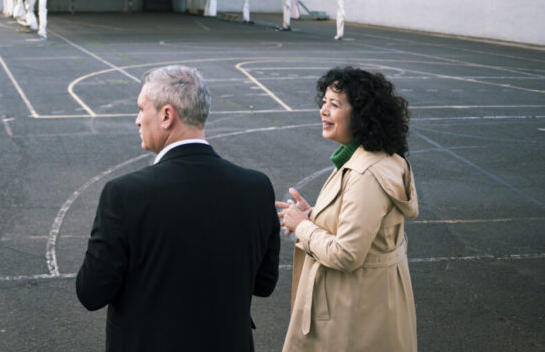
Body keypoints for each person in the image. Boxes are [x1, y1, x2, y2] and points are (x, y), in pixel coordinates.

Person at [76, 65, 280, 352]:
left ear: (166, 116)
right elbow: (264, 284)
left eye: (141, 109)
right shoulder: (257, 187)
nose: (137, 120)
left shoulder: (124, 194)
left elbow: (91, 293)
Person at [277, 66, 418, 352]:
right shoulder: (368, 159)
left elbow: (347, 254)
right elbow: (364, 227)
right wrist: (314, 216)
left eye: (334, 104)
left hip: (354, 314)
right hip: (366, 304)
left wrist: (302, 226)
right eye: (324, 102)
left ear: (361, 114)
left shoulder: (366, 174)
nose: (323, 111)